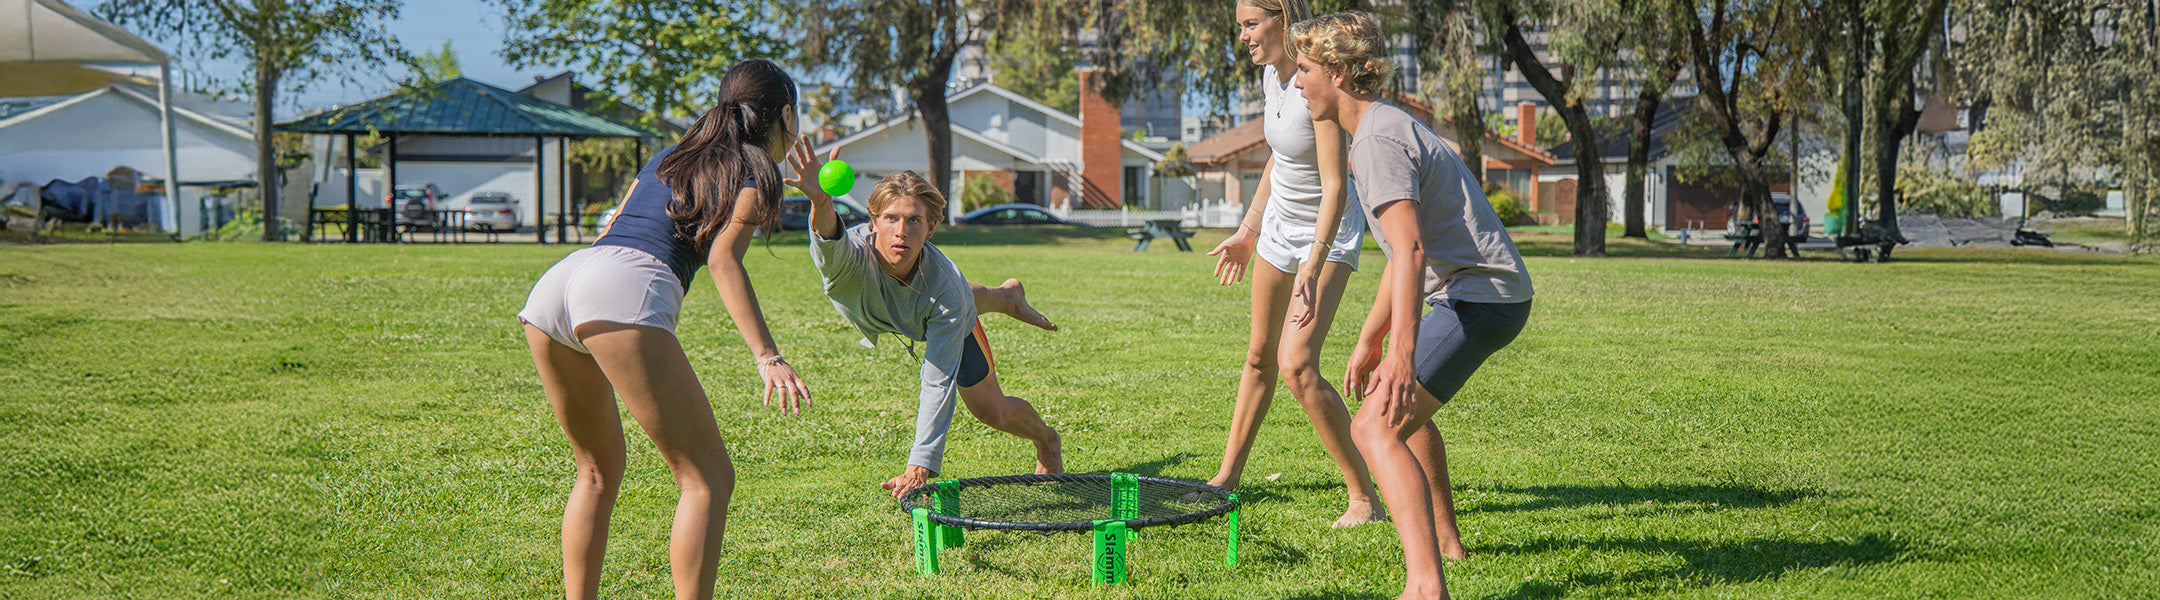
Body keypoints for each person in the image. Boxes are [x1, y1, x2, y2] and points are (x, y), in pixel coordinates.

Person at [516, 58, 812, 600]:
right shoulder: (756, 172)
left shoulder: (669, 155)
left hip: (560, 283)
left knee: (596, 472)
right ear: (786, 115)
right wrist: (767, 355)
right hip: (622, 287)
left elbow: (615, 225)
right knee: (707, 479)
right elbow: (723, 259)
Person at [1290, 12, 1535, 600]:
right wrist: (1373, 340)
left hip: (1479, 296)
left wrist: (1401, 354)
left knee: (1373, 427)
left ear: (1340, 73)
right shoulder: (1380, 128)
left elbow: (1411, 251)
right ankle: (1446, 546)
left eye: (1304, 70)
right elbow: (1404, 253)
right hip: (1479, 292)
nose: (1296, 83)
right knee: (1400, 414)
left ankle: (1426, 587)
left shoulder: (1376, 141)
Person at [781, 151, 1065, 498]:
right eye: (890, 218)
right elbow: (827, 241)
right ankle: (1006, 298)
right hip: (910, 304)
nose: (901, 231)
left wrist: (919, 466)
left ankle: (1047, 440)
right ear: (873, 222)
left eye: (914, 220)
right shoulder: (849, 258)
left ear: (931, 228)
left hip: (942, 305)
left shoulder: (947, 291)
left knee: (992, 411)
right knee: (938, 298)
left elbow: (936, 383)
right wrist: (822, 202)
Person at [1203, 0, 1384, 529]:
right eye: (1240, 27)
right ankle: (1226, 477)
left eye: (1251, 24)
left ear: (1282, 18)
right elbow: (1280, 161)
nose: (1244, 37)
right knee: (1259, 356)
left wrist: (1315, 259)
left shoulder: (1315, 81)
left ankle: (1364, 498)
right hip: (1279, 227)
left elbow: (1335, 185)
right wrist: (1248, 230)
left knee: (1297, 363)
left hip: (1326, 232)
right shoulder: (1272, 77)